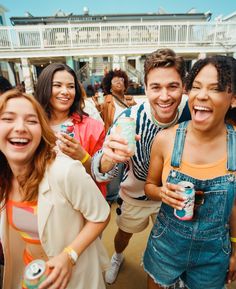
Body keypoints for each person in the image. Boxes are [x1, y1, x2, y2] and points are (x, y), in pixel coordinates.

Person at [92, 48, 191, 284]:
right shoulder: (129, 118)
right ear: (145, 88)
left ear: (183, 87)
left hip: (172, 198)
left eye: (173, 86)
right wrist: (109, 158)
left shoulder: (192, 113)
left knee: (170, 244)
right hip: (135, 195)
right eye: (156, 87)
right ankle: (117, 257)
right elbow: (105, 168)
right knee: (123, 235)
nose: (165, 96)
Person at [0, 89, 110, 289]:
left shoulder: (64, 171)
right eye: (8, 119)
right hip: (31, 273)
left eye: (31, 121)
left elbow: (101, 215)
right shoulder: (4, 180)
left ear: (42, 130)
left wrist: (69, 256)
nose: (20, 128)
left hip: (73, 275)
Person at [143, 55, 236, 289]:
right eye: (196, 86)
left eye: (215, 89)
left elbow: (235, 207)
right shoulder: (165, 140)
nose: (201, 95)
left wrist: (235, 249)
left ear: (233, 98)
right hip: (165, 246)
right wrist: (162, 193)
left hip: (213, 255)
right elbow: (150, 186)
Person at [35, 63, 107, 197]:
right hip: (39, 203)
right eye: (57, 85)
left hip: (80, 205)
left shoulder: (93, 127)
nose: (65, 91)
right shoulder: (32, 126)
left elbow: (104, 177)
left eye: (71, 86)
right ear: (44, 87)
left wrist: (83, 157)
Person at [93, 68, 137, 133]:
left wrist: (134, 107)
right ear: (110, 88)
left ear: (124, 86)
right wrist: (98, 109)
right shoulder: (105, 101)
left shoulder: (131, 101)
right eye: (115, 80)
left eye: (121, 80)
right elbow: (98, 123)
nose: (119, 81)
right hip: (113, 140)